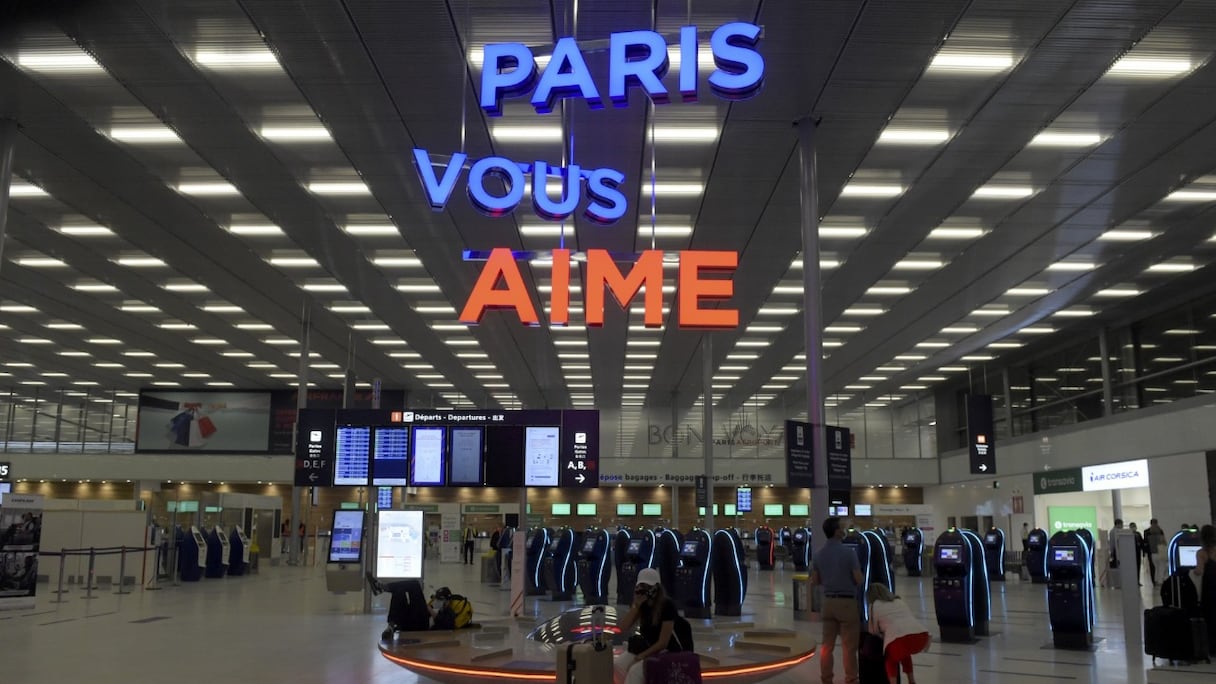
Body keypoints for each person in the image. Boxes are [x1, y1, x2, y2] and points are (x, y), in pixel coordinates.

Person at [613, 567, 689, 684]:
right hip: (648, 648)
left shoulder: (667, 605)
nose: (644, 591)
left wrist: (642, 656)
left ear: (656, 588)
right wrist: (636, 606)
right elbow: (623, 627)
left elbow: (663, 643)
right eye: (641, 587)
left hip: (667, 651)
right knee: (618, 665)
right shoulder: (643, 605)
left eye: (648, 587)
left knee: (635, 671)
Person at [811, 516, 864, 684]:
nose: (844, 530)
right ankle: (851, 679)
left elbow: (815, 581)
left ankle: (826, 679)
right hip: (846, 603)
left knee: (827, 646)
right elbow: (858, 579)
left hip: (827, 603)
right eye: (842, 527)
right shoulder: (849, 552)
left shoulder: (818, 554)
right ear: (836, 532)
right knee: (849, 647)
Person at [866, 584, 930, 684]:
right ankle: (911, 681)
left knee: (890, 659)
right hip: (921, 635)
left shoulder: (874, 605)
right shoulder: (898, 600)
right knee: (904, 653)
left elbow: (872, 630)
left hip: (897, 638)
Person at [1144, 519, 1166, 585]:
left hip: (1152, 553)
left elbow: (1146, 543)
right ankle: (1160, 581)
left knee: (1155, 568)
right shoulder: (1160, 534)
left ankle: (1155, 580)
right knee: (1161, 567)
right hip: (1160, 553)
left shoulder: (1148, 534)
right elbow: (1164, 543)